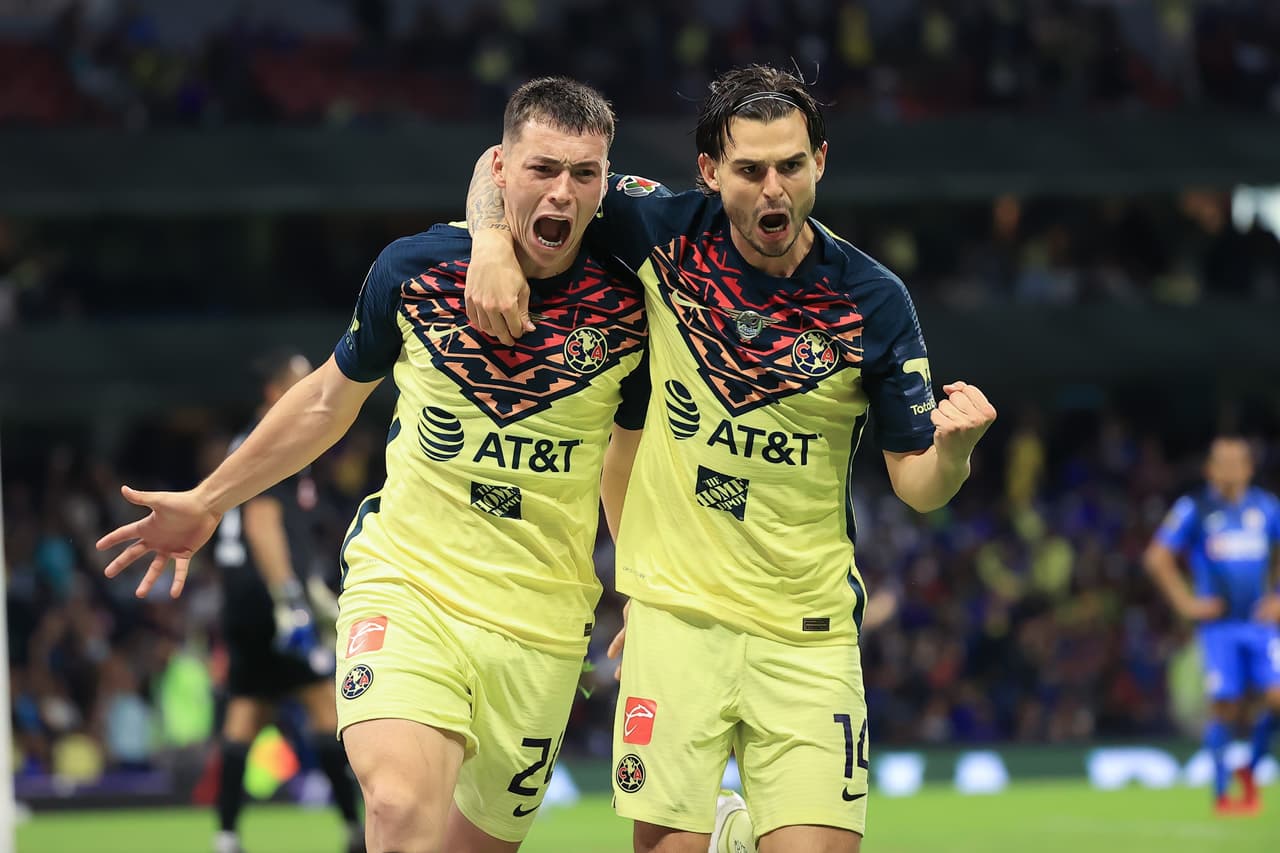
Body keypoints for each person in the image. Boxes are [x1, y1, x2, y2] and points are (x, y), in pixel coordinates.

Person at [98, 77, 650, 853]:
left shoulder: (631, 303)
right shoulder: (416, 270)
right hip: (410, 585)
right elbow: (326, 401)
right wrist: (210, 497)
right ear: (499, 171)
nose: (563, 192)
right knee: (394, 809)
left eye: (584, 175)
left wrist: (640, 584)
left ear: (605, 182)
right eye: (542, 170)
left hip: (544, 623)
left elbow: (622, 460)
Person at [464, 64, 996, 853]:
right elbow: (501, 162)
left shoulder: (872, 300)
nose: (771, 189)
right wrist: (488, 244)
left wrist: (952, 452)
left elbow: (918, 486)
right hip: (677, 623)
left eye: (789, 165)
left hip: (806, 634)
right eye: (749, 170)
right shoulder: (660, 228)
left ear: (821, 160)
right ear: (711, 172)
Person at [211, 349, 363, 853]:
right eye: (300, 383)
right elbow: (261, 517)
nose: (311, 390)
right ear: (276, 393)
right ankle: (353, 831)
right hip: (266, 591)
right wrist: (289, 599)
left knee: (246, 711)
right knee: (324, 706)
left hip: (239, 596)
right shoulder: (276, 438)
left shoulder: (246, 439)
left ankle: (227, 835)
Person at [1145, 435, 1280, 816]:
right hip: (1218, 628)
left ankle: (1250, 770)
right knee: (1225, 706)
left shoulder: (1267, 508)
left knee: (1275, 698)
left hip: (1259, 624)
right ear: (1210, 469)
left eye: (1238, 461)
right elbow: (1158, 557)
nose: (1231, 469)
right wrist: (1186, 603)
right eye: (1223, 462)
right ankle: (1222, 795)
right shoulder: (1196, 509)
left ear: (1250, 468)